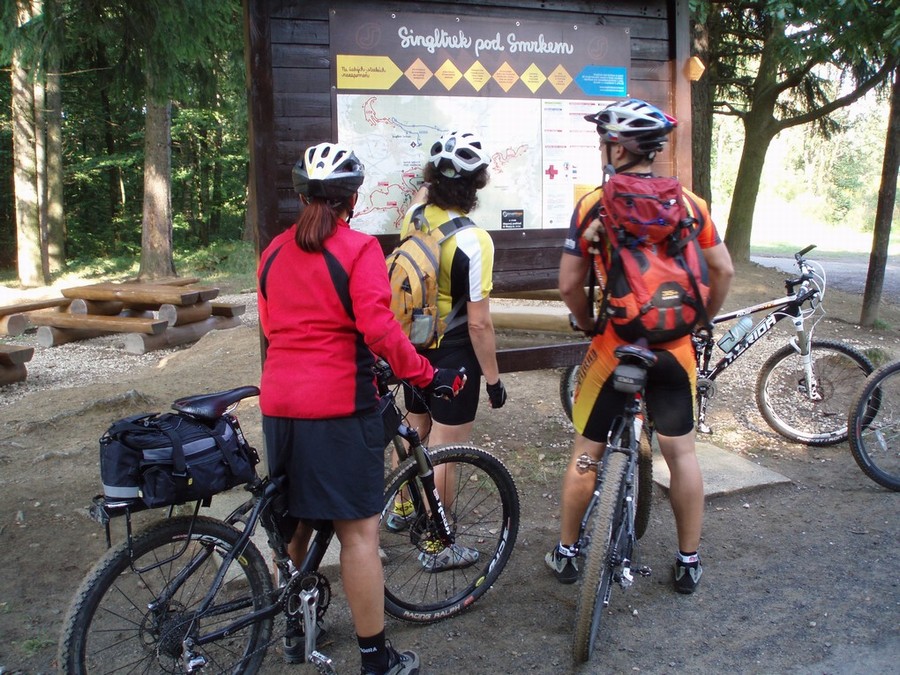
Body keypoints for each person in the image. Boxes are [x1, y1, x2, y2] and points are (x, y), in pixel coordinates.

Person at [258, 142, 465, 675]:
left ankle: (294, 632)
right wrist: (426, 375)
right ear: (352, 199)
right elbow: (380, 330)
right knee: (359, 536)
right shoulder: (357, 249)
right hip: (338, 407)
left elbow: (272, 326)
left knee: (295, 524)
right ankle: (376, 658)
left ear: (301, 196)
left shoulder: (273, 251)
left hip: (279, 405)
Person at [547, 99, 734, 594]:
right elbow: (724, 269)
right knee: (681, 453)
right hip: (675, 348)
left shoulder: (593, 205)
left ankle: (567, 553)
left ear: (616, 149)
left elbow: (569, 284)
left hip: (616, 346)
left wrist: (588, 322)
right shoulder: (691, 205)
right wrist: (701, 318)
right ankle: (688, 561)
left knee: (587, 451)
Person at [387, 130, 508, 572]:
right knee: (446, 450)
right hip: (454, 354)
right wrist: (493, 380)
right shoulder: (475, 241)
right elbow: (479, 323)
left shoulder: (414, 217)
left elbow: (422, 197)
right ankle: (437, 542)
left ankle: (403, 507)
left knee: (416, 428)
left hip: (414, 348)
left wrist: (429, 185)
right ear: (476, 185)